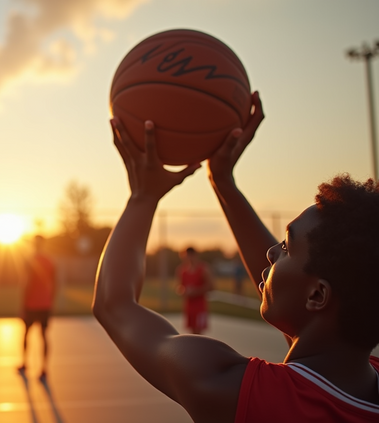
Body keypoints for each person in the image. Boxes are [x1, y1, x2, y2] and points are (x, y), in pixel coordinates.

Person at [93, 91, 379, 422]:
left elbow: (114, 304)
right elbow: (308, 285)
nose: (270, 251)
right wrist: (223, 182)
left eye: (285, 246)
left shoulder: (238, 392)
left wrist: (143, 196)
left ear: (317, 295)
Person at [18, 235, 56, 382]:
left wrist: (23, 304)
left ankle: (26, 363)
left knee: (28, 334)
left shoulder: (30, 260)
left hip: (32, 304)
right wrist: (50, 299)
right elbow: (54, 283)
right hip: (44, 304)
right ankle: (43, 368)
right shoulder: (49, 261)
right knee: (43, 335)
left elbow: (26, 283)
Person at [175, 247, 213, 334]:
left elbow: (211, 286)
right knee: (192, 332)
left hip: (200, 307)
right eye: (187, 255)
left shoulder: (203, 269)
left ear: (196, 255)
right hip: (189, 306)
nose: (189, 258)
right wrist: (183, 291)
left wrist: (196, 291)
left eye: (191, 255)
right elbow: (179, 287)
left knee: (199, 334)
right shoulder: (182, 271)